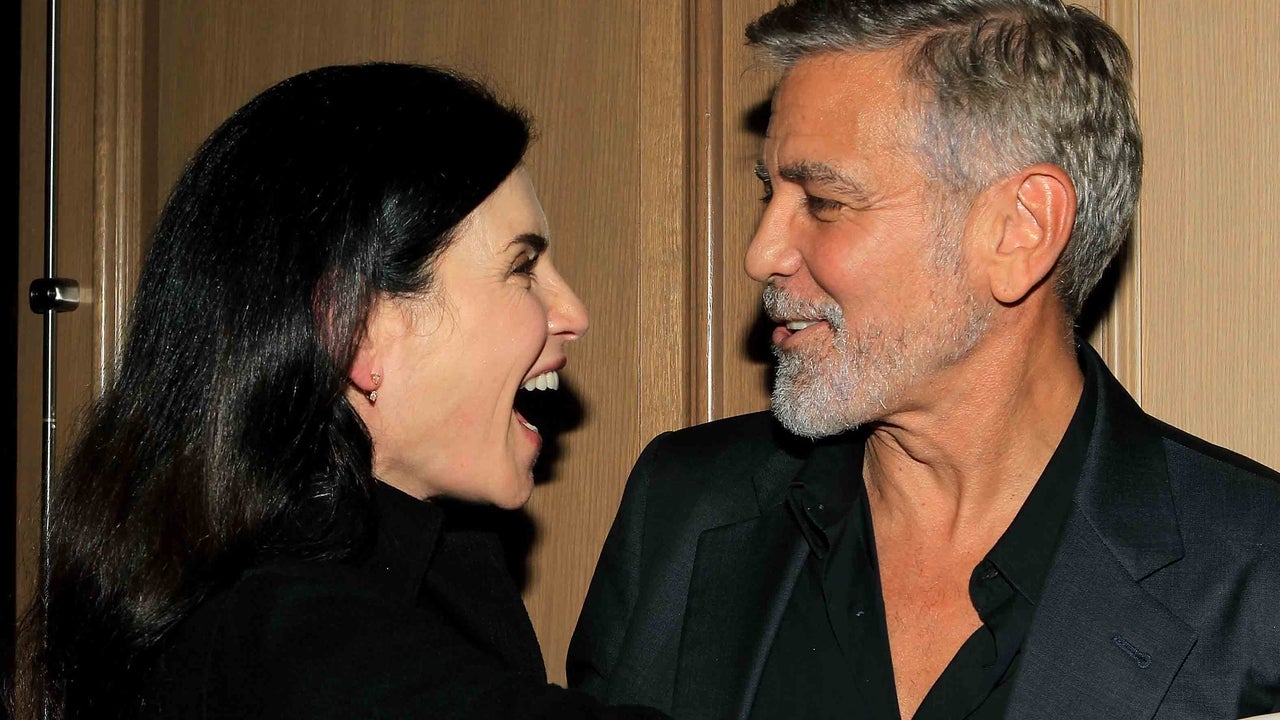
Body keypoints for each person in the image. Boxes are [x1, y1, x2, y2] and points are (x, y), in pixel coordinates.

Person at [568, 1, 1280, 719]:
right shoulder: (684, 508)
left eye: (824, 201)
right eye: (768, 193)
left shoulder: (1258, 575)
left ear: (1020, 230)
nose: (761, 254)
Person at [14, 63, 667, 720]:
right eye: (522, 266)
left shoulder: (422, 567)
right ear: (357, 332)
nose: (573, 312)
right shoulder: (293, 645)